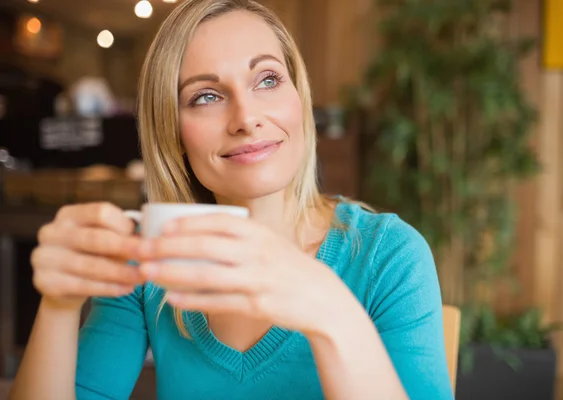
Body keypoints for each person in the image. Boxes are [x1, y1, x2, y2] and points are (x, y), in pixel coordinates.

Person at [9, 0, 453, 399]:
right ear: (172, 132)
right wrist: (59, 306)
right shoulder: (148, 264)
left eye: (267, 79)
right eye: (206, 96)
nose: (247, 118)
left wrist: (333, 316)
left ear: (298, 97)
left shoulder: (388, 256)